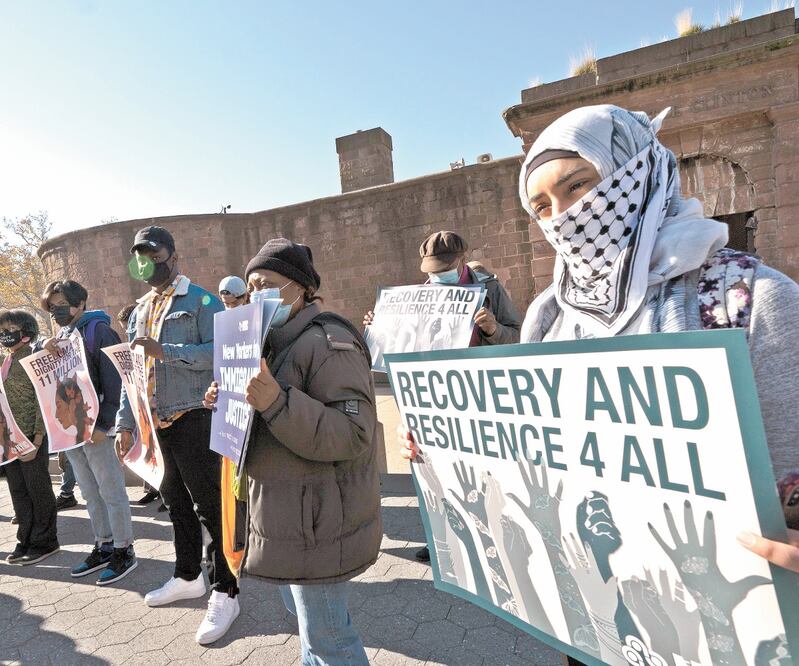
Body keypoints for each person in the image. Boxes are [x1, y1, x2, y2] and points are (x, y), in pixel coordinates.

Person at [399, 104, 799, 663]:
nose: (565, 215)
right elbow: (529, 439)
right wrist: (443, 446)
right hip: (595, 612)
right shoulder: (550, 316)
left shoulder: (749, 299)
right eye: (542, 206)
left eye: (580, 186)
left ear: (636, 171)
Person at [204, 238, 381, 665]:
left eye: (267, 283)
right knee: (310, 627)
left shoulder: (329, 341)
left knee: (329, 639)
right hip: (285, 517)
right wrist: (227, 397)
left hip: (317, 523)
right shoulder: (270, 341)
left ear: (299, 288)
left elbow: (354, 434)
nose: (257, 293)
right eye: (251, 285)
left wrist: (275, 402)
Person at [114, 225, 237, 645]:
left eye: (153, 251)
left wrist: (167, 351)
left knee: (210, 506)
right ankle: (188, 575)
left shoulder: (201, 301)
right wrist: (124, 423)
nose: (146, 260)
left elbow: (220, 353)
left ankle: (226, 589)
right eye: (139, 254)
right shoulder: (139, 310)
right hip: (152, 423)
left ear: (172, 254)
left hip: (194, 416)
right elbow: (130, 374)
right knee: (176, 504)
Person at [366, 231, 521, 562]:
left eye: (444, 268)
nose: (438, 276)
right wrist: (377, 330)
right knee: (436, 471)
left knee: (483, 473)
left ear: (462, 260)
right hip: (433, 399)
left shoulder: (489, 289)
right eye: (432, 270)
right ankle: (442, 538)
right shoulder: (418, 297)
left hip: (480, 396)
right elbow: (400, 348)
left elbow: (518, 338)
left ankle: (492, 540)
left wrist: (493, 330)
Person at [41, 279, 137, 584]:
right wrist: (45, 345)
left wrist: (106, 424)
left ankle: (124, 550)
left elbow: (117, 380)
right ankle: (104, 544)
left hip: (97, 429)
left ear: (80, 302)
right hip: (72, 430)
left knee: (111, 492)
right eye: (51, 306)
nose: (56, 311)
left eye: (61, 304)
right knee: (89, 492)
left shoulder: (99, 331)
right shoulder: (62, 335)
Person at [0, 309, 59, 565]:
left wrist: (37, 440)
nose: (5, 334)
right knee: (19, 491)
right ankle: (25, 539)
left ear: (25, 331)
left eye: (10, 329)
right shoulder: (5, 360)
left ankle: (45, 541)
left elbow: (41, 400)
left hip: (31, 436)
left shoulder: (33, 357)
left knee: (38, 490)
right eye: (2, 330)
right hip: (9, 438)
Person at [118, 303, 162, 508]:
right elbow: (129, 382)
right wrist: (123, 424)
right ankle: (153, 489)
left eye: (129, 329)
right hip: (144, 413)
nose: (128, 334)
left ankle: (160, 491)